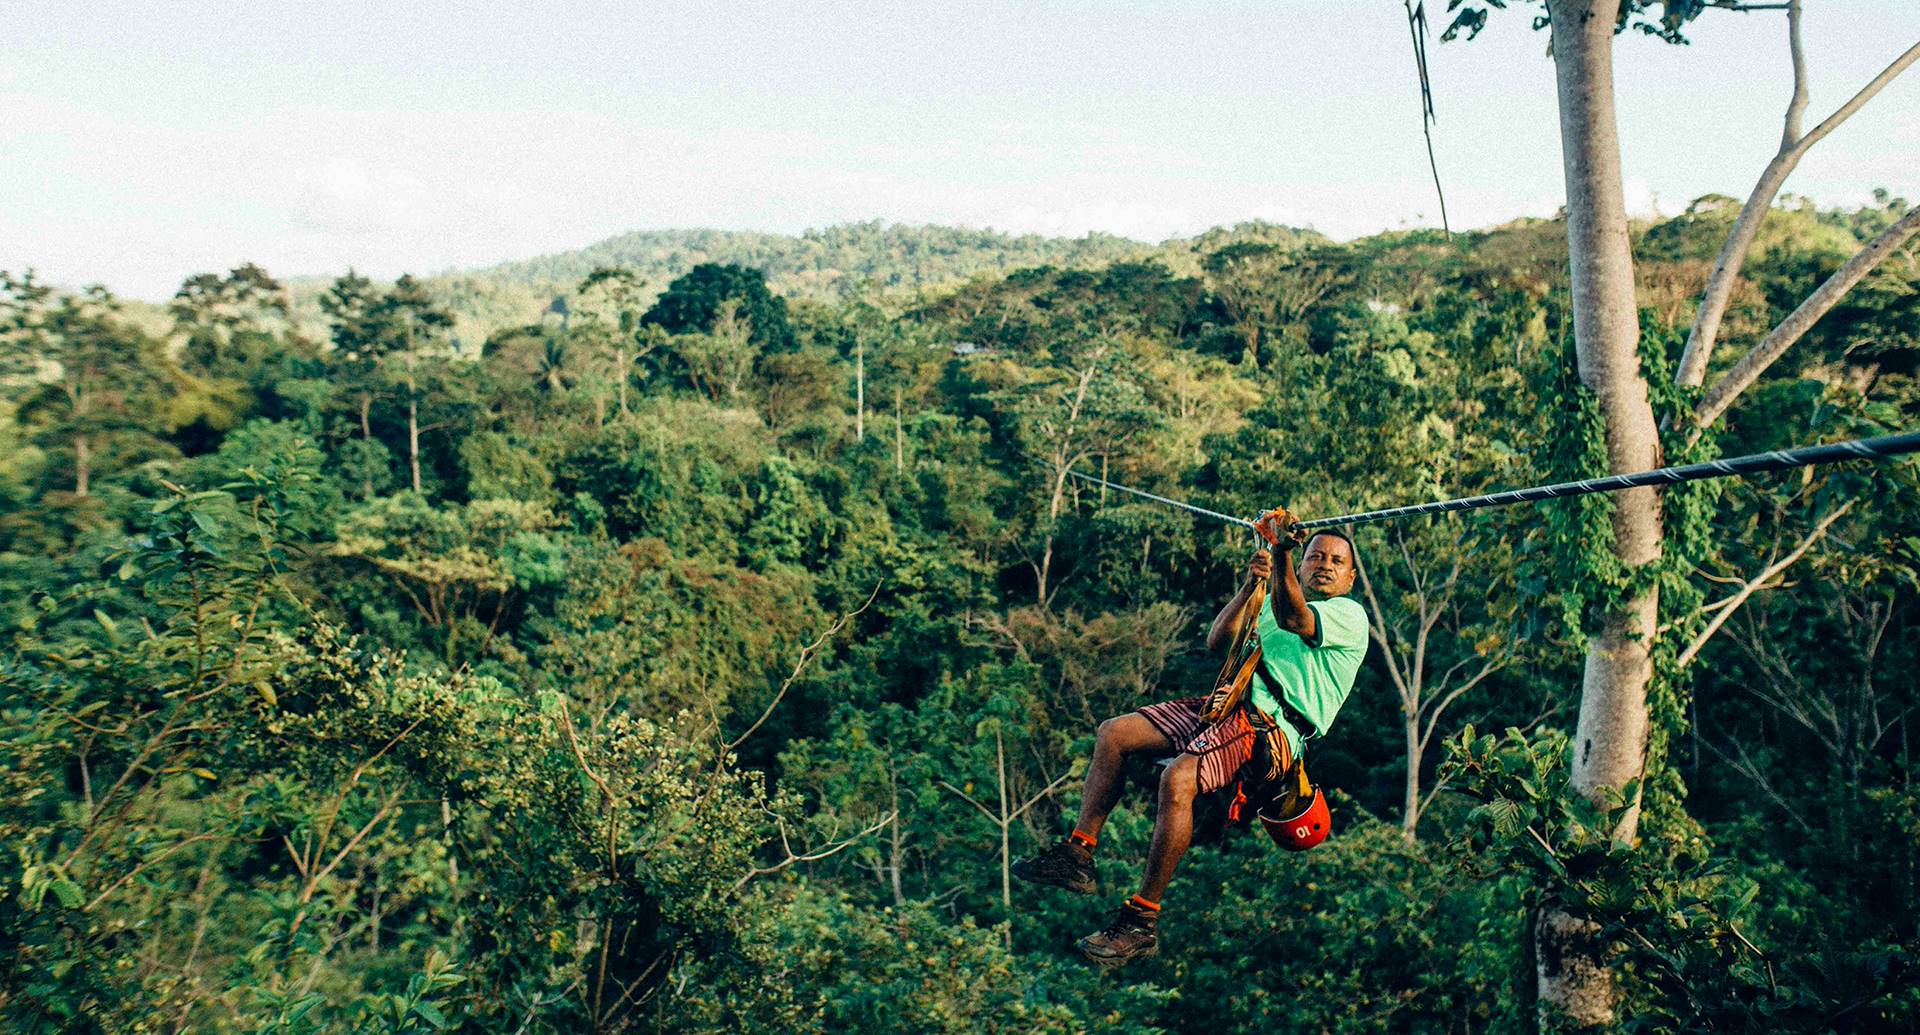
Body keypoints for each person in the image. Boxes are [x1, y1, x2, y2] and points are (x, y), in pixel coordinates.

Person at [1011, 510, 1369, 966]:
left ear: (1350, 576)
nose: (1324, 564)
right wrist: (1250, 586)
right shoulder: (1277, 602)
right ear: (1301, 566)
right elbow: (1219, 641)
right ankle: (1077, 854)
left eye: (1336, 561)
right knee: (1115, 734)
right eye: (1315, 556)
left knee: (1178, 781)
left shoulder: (1347, 616)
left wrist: (1281, 552)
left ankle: (1142, 920)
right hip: (1226, 706)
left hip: (1271, 731)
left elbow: (1297, 618)